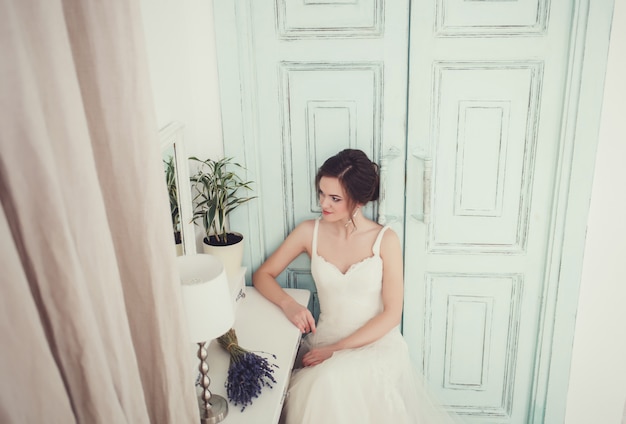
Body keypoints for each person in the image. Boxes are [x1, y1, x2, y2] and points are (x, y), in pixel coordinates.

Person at [253, 149, 461, 423]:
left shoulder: (385, 239)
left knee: (330, 381)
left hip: (375, 344)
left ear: (359, 200)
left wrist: (337, 350)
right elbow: (263, 275)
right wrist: (289, 304)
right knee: (323, 383)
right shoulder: (308, 231)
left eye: (335, 198)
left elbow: (391, 314)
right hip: (325, 339)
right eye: (321, 193)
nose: (323, 203)